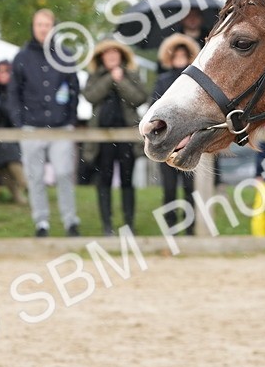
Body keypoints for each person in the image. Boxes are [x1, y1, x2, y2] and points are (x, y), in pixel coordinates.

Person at [10, 9, 81, 237]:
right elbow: (14, 92)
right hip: (32, 126)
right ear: (33, 27)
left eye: (47, 24)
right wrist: (19, 121)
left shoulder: (65, 54)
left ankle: (70, 220)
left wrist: (70, 118)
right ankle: (41, 222)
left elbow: (73, 89)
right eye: (39, 24)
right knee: (35, 177)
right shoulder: (22, 57)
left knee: (63, 174)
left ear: (54, 27)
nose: (43, 29)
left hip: (60, 126)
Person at [83, 39, 148, 236]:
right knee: (104, 180)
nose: (111, 56)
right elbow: (90, 96)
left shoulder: (131, 75)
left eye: (115, 53)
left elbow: (139, 98)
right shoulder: (95, 76)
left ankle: (128, 224)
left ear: (121, 56)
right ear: (102, 57)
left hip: (126, 137)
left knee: (128, 181)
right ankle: (107, 226)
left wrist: (121, 81)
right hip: (102, 139)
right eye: (107, 53)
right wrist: (109, 78)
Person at [153, 33, 200, 232]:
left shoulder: (195, 81)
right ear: (170, 58)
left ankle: (190, 228)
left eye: (183, 55)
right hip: (166, 142)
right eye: (176, 55)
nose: (180, 58)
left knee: (190, 188)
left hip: (189, 141)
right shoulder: (162, 81)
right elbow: (154, 109)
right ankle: (170, 227)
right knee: (169, 188)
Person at [0, 59, 28, 204]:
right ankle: (21, 189)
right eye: (0, 71)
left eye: (6, 71)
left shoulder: (18, 91)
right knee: (5, 163)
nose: (3, 74)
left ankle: (24, 187)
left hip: (16, 133)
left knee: (10, 159)